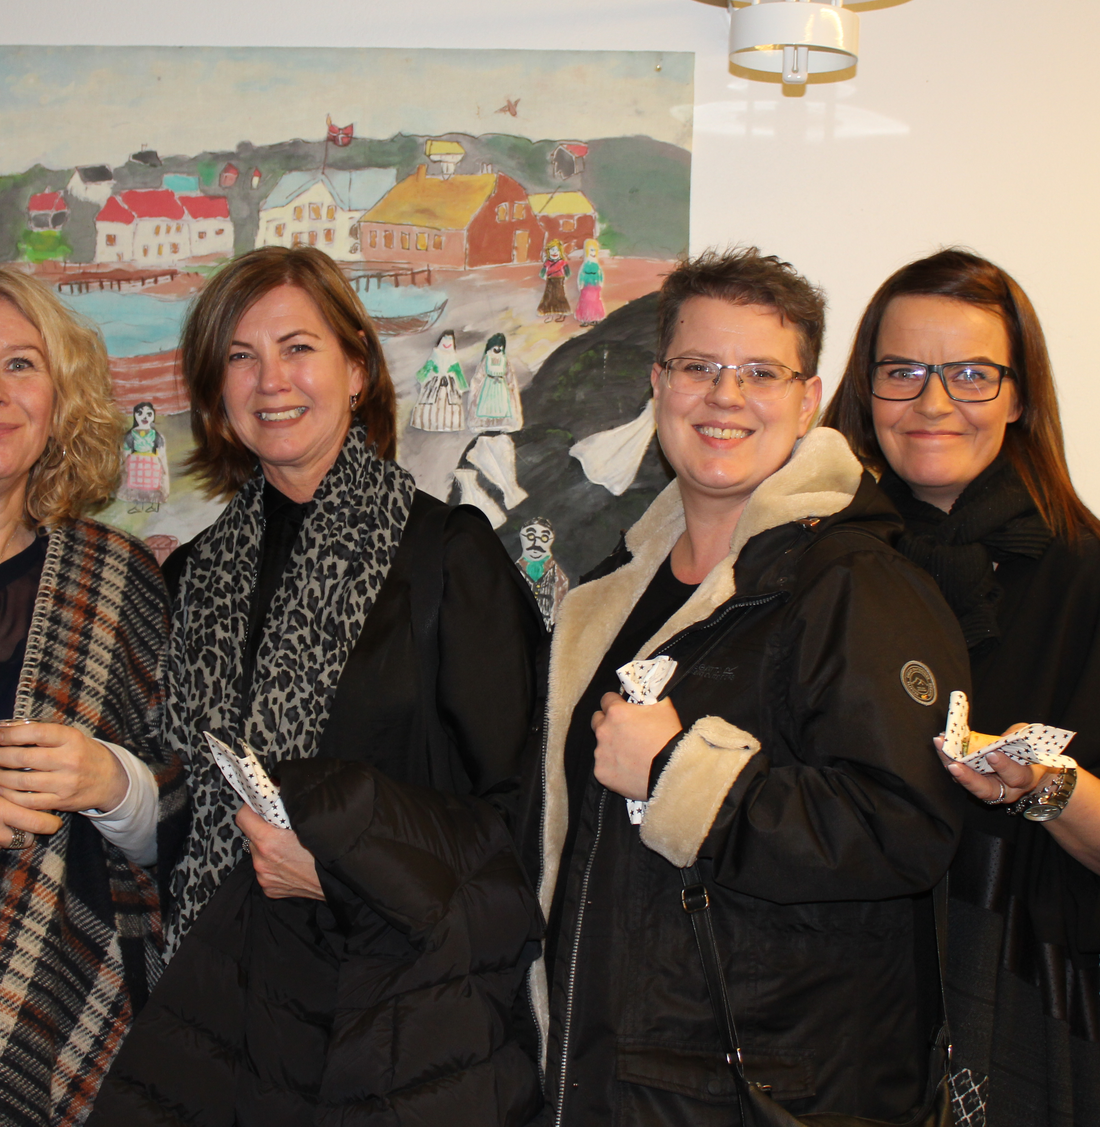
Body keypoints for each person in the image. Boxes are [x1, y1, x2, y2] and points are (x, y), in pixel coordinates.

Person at [91, 246, 543, 1126]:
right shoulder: (190, 579)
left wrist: (344, 869)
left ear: (357, 369)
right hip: (219, 1022)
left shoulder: (449, 560)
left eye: (298, 347)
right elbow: (175, 808)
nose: (272, 380)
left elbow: (517, 820)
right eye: (241, 356)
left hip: (391, 1030)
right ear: (215, 395)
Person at [530, 246, 969, 1125]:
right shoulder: (611, 596)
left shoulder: (857, 585)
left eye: (762, 373)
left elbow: (905, 830)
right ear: (658, 385)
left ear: (808, 401)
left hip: (771, 1096)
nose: (725, 396)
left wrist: (677, 775)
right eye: (699, 367)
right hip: (614, 1083)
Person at [0, 264, 183, 1127]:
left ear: (57, 403)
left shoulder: (122, 580)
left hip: (53, 1024)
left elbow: (181, 829)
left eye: (20, 365)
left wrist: (112, 783)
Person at [824, 248, 1100, 1127]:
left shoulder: (1088, 577)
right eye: (903, 372)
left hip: (1028, 995)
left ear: (1019, 397)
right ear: (865, 390)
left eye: (972, 375)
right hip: (831, 1000)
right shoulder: (816, 567)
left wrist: (1044, 787)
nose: (934, 403)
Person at [410, 328, 468, 432]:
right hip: (434, 384)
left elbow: (458, 372)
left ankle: (448, 424)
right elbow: (426, 368)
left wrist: (461, 384)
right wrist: (429, 370)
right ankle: (429, 422)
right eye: (445, 339)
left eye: (450, 339)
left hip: (449, 385)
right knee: (431, 402)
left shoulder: (453, 357)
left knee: (449, 405)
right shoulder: (435, 355)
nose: (447, 342)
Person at [117, 399, 170, 512]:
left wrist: (165, 469)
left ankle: (154, 507)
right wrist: (122, 466)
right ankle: (137, 507)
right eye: (140, 413)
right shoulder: (130, 435)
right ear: (135, 415)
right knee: (137, 488)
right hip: (135, 465)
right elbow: (125, 453)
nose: (144, 417)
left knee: (153, 487)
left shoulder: (157, 436)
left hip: (152, 465)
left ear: (153, 416)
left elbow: (162, 454)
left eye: (149, 414)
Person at [467, 331, 524, 433]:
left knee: (502, 406)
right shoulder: (486, 359)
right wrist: (475, 387)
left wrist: (511, 386)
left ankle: (501, 424)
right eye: (496, 345)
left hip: (501, 386)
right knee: (487, 406)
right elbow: (479, 374)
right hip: (488, 386)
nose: (498, 348)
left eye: (500, 346)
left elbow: (509, 375)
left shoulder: (505, 360)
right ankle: (486, 425)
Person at [538, 239, 572, 322]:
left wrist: (564, 279)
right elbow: (542, 273)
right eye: (552, 250)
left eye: (557, 250)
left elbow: (568, 273)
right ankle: (550, 315)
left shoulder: (563, 262)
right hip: (550, 281)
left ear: (560, 251)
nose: (555, 252)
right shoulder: (547, 262)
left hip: (559, 281)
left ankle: (562, 314)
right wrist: (546, 278)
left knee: (560, 297)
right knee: (549, 298)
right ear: (548, 251)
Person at [575, 238, 606, 327]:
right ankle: (585, 319)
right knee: (585, 302)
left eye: (594, 250)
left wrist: (600, 283)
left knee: (595, 302)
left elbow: (600, 275)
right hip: (586, 287)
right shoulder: (585, 265)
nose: (593, 253)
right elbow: (581, 275)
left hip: (595, 288)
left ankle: (595, 318)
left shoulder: (597, 265)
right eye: (591, 250)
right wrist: (580, 284)